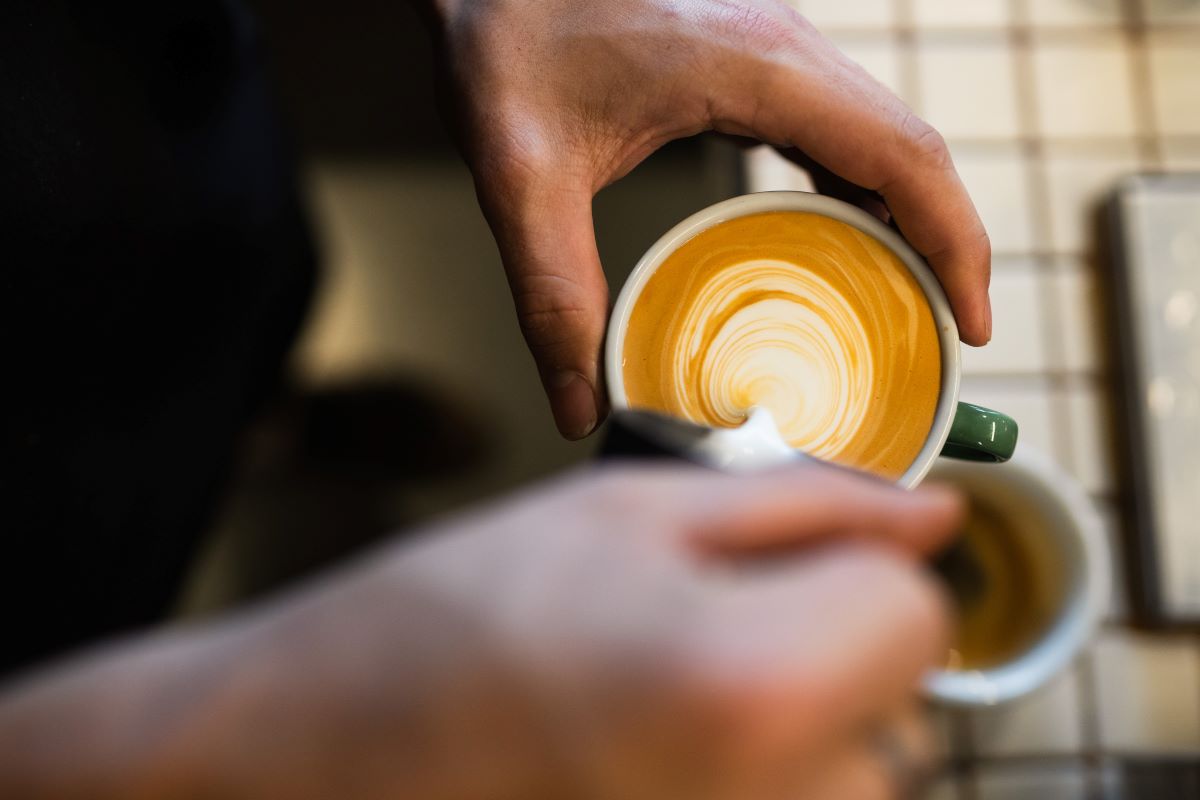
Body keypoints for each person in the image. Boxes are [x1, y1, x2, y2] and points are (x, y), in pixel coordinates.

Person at [0, 0, 990, 797]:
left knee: (224, 320)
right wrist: (270, 732)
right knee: (131, 494)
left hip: (135, 122)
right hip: (52, 590)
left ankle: (278, 422)